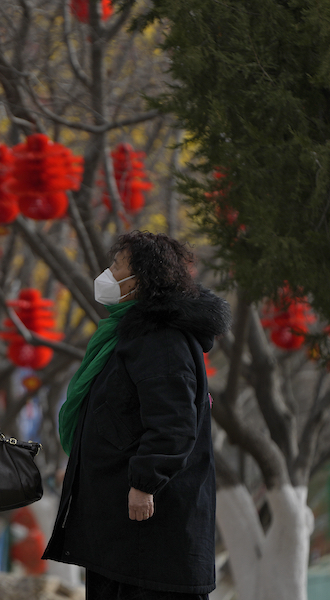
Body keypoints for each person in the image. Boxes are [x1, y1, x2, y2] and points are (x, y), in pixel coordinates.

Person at [42, 231, 232, 599]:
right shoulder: (131, 335)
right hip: (124, 534)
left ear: (141, 280)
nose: (107, 274)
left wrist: (145, 482)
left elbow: (173, 422)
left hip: (150, 533)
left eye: (116, 267)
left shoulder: (161, 339)